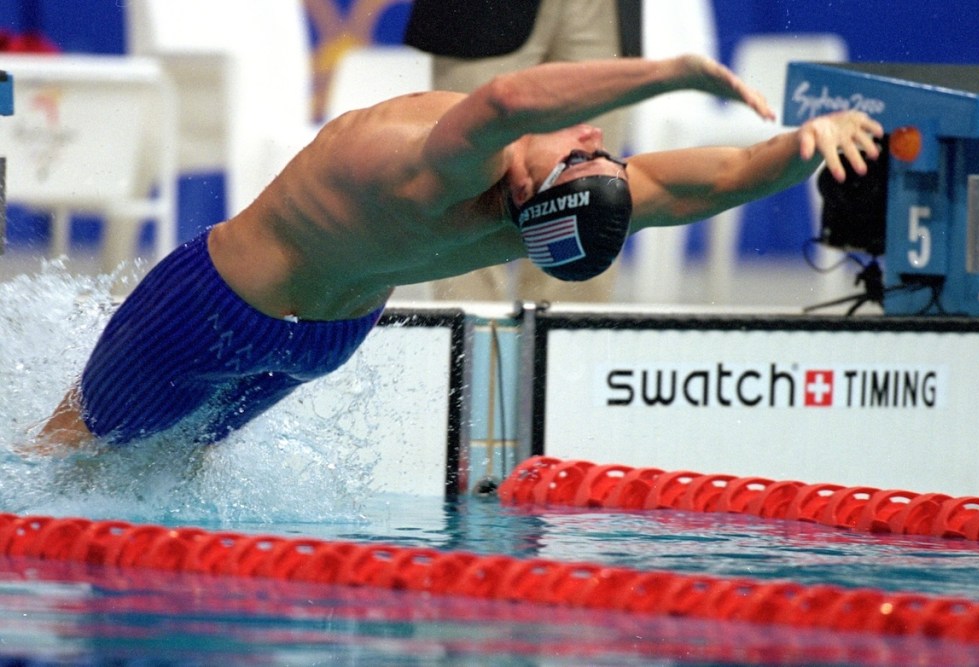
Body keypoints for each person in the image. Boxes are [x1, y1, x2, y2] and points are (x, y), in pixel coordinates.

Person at [35, 54, 882, 452]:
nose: (594, 145)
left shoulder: (547, 191)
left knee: (166, 482)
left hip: (307, 338)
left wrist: (805, 147)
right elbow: (505, 94)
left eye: (582, 160)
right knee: (64, 457)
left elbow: (715, 179)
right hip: (213, 307)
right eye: (588, 152)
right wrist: (673, 74)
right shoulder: (426, 160)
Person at [404, 0, 639, 303]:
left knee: (589, 195)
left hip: (600, 9)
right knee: (470, 194)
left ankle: (565, 346)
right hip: (483, 13)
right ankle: (472, 347)